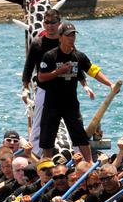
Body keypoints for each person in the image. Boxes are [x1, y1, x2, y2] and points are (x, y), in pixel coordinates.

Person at [38, 21, 115, 163]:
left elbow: (93, 71)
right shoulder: (50, 56)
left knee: (80, 135)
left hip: (71, 104)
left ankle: (89, 164)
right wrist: (58, 72)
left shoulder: (79, 56)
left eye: (73, 35)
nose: (71, 38)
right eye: (68, 35)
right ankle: (46, 166)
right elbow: (41, 77)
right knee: (47, 138)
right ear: (60, 37)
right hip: (52, 104)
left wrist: (110, 84)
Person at [21, 9, 94, 157]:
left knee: (75, 122)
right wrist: (25, 88)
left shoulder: (66, 41)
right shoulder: (37, 43)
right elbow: (28, 68)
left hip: (65, 91)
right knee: (39, 120)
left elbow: (76, 63)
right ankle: (35, 152)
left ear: (59, 24)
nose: (50, 26)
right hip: (45, 89)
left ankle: (79, 153)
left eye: (53, 22)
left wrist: (84, 84)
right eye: (46, 22)